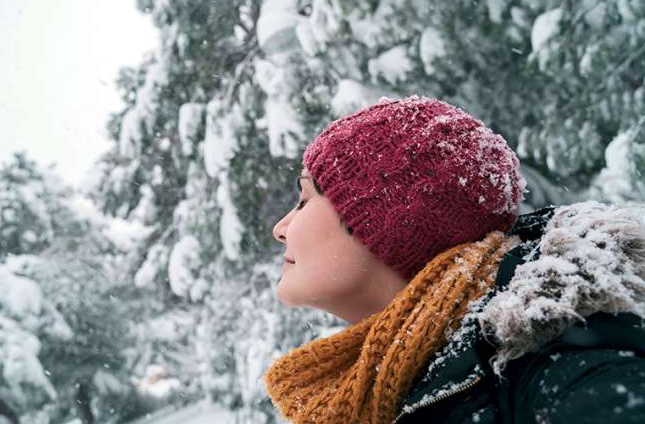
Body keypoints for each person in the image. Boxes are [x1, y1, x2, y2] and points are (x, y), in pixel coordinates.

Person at [264, 96, 645, 424]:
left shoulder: (555, 372)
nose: (281, 229)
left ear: (388, 221)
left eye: (304, 199)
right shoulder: (405, 382)